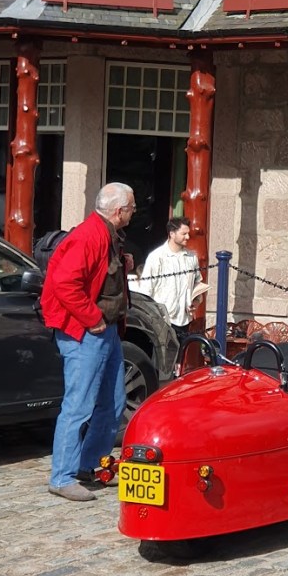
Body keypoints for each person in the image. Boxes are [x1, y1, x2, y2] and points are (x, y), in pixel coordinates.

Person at [40, 183, 136, 502]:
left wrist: (125, 264)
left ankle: (91, 466)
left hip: (103, 328)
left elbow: (100, 274)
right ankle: (63, 476)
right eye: (132, 208)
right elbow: (65, 284)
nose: (134, 212)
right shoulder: (89, 235)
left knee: (112, 399)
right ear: (118, 211)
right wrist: (91, 317)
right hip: (86, 330)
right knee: (79, 404)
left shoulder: (105, 233)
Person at [140, 217, 206, 343]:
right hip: (162, 320)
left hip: (184, 319)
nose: (187, 237)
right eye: (183, 234)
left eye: (188, 233)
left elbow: (197, 284)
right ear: (172, 233)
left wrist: (196, 300)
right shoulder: (156, 257)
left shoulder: (191, 257)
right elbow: (146, 290)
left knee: (180, 358)